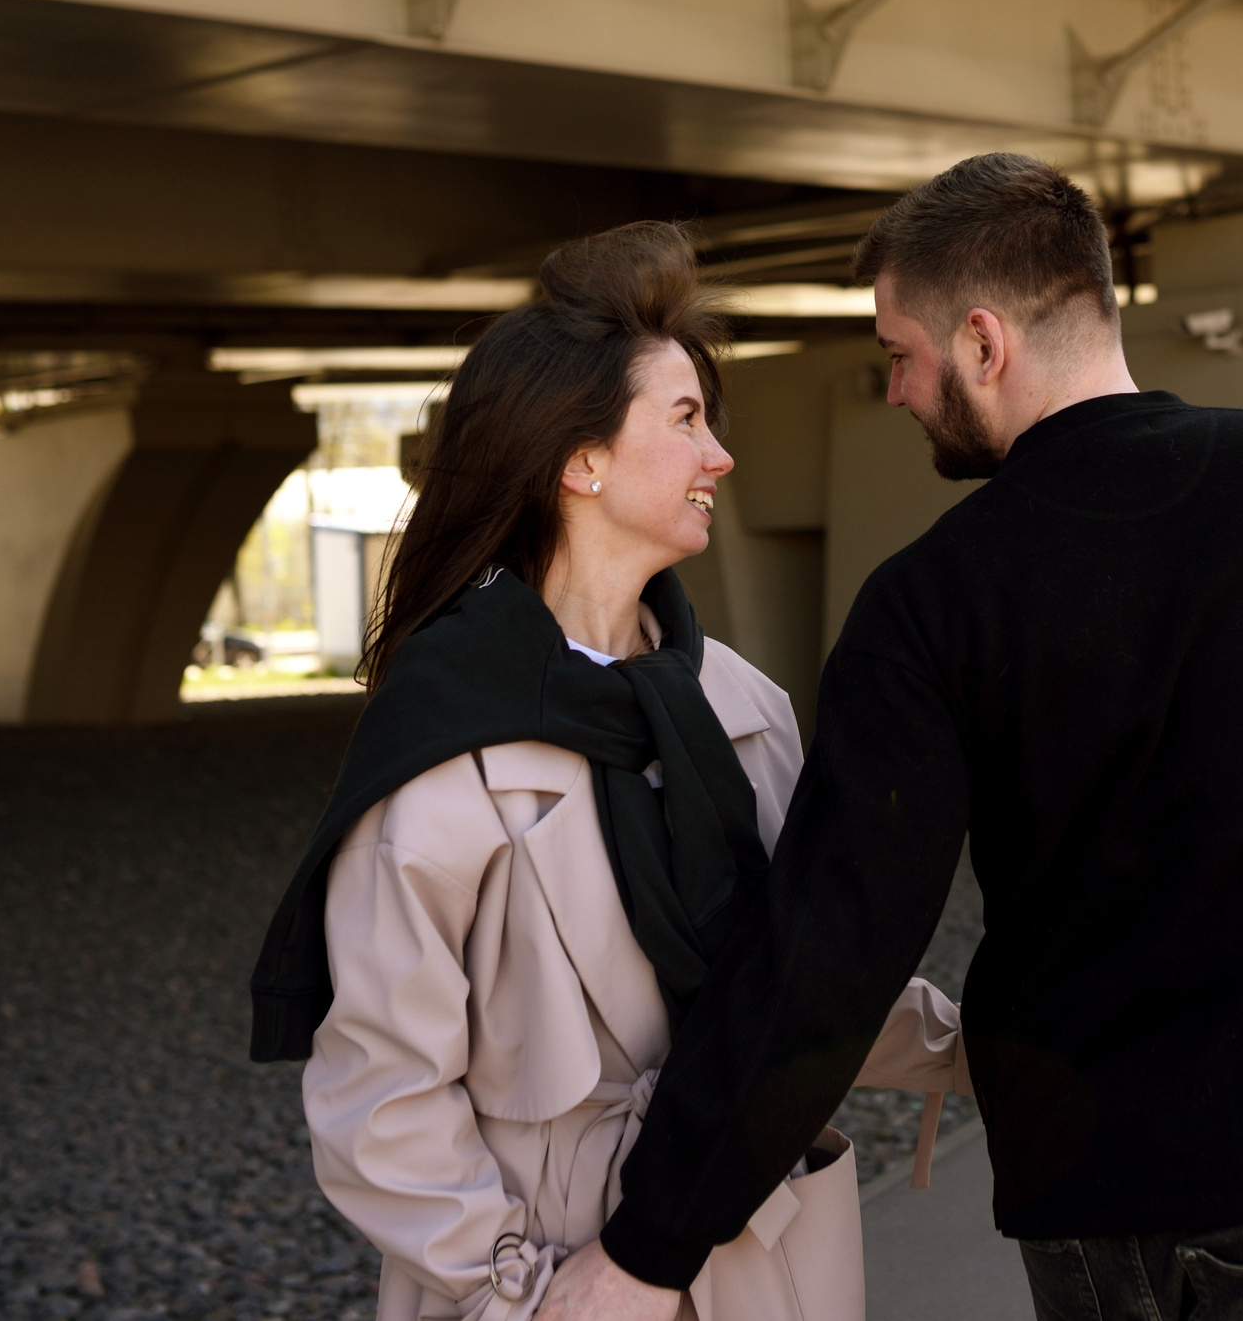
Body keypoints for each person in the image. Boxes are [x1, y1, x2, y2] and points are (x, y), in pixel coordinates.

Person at [545, 155, 1243, 1321]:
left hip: (1106, 1193)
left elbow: (831, 945)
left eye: (900, 356)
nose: (894, 392)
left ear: (982, 343)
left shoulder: (936, 597)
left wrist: (648, 1244)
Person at [248, 223, 961, 1321]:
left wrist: (990, 1049)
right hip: (545, 1270)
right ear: (577, 460)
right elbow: (379, 1097)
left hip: (771, 1253)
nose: (719, 454)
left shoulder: (741, 705)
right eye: (684, 420)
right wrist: (524, 1290)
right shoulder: (443, 751)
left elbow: (801, 972)